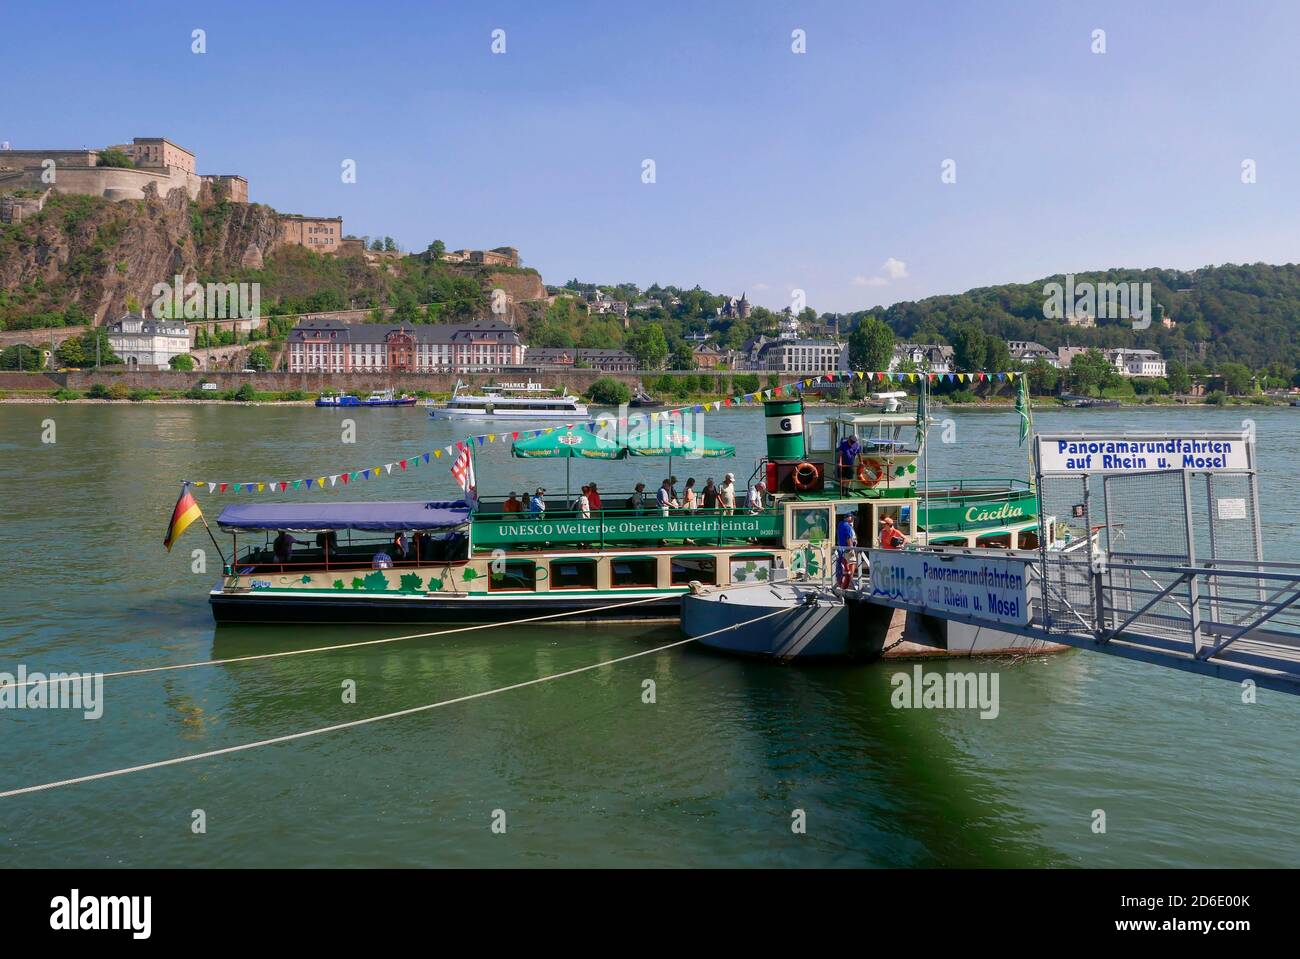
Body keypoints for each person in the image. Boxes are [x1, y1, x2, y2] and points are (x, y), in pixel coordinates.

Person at [836, 513, 858, 588]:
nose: (852, 520)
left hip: (841, 548)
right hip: (847, 549)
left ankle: (842, 582)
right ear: (848, 518)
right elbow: (848, 538)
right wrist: (851, 548)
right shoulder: (847, 526)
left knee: (843, 565)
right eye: (852, 518)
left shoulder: (840, 524)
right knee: (852, 563)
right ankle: (849, 581)